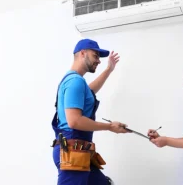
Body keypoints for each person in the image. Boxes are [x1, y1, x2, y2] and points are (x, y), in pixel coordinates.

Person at [51, 39, 129, 185]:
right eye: (95, 56)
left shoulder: (74, 81)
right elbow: (74, 121)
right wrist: (110, 127)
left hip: (77, 150)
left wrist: (109, 70)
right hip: (73, 152)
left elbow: (89, 93)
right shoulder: (75, 81)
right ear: (82, 53)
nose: (99, 61)